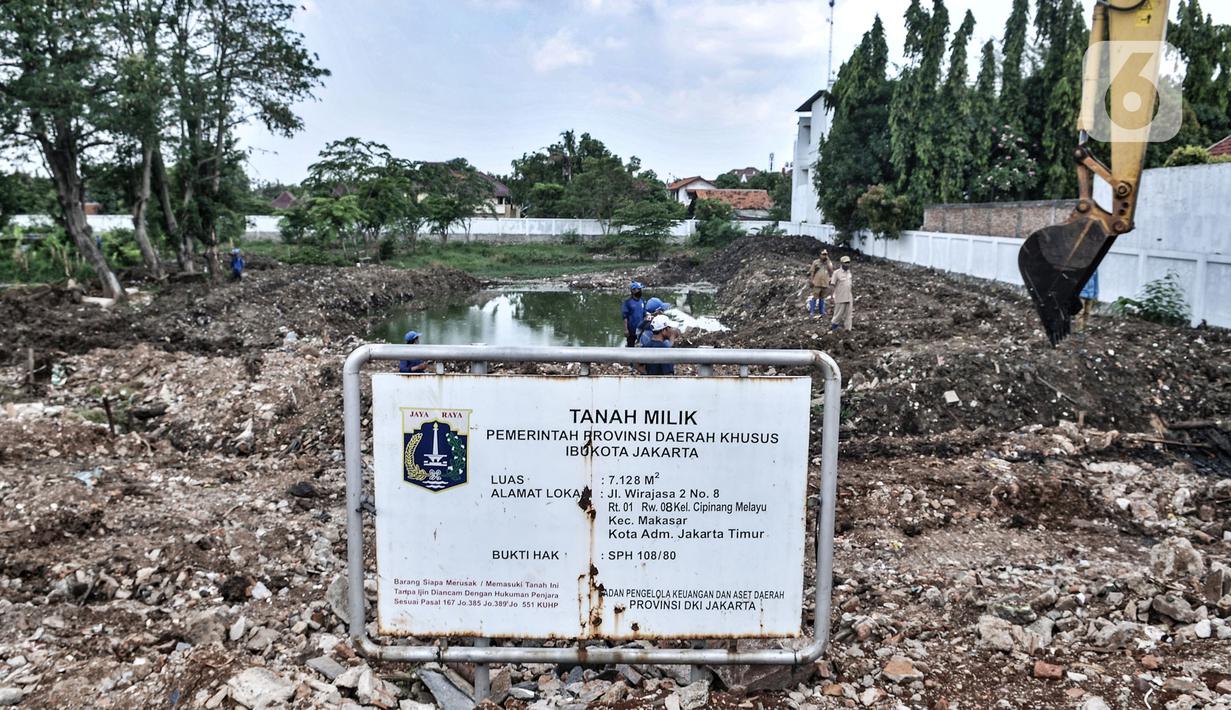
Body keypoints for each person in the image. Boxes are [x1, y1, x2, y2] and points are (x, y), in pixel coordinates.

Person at [808, 249, 834, 317]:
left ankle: (821, 311)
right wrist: (811, 280)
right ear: (820, 255)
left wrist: (828, 261)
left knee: (822, 298)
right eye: (823, 254)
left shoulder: (828, 263)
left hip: (825, 283)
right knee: (815, 297)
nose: (824, 256)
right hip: (817, 283)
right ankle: (812, 311)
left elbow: (831, 271)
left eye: (826, 254)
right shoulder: (816, 262)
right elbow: (812, 271)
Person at [829, 256, 853, 331]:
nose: (847, 264)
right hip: (840, 296)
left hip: (849, 296)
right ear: (841, 263)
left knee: (848, 315)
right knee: (838, 313)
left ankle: (848, 330)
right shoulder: (836, 273)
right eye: (845, 263)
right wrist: (832, 296)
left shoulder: (849, 272)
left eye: (848, 263)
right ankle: (834, 327)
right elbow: (832, 285)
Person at [621, 282, 646, 347]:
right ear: (633, 290)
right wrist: (626, 329)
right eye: (639, 289)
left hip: (641, 330)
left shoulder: (642, 300)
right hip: (631, 330)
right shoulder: (628, 302)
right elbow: (625, 317)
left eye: (640, 289)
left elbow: (644, 314)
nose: (640, 291)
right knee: (630, 346)